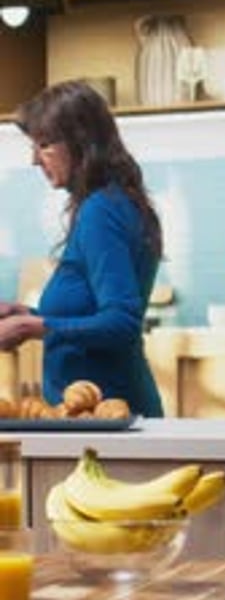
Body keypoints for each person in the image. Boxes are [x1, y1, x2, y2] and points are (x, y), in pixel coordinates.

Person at [0, 79, 164, 417]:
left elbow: (121, 322)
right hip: (101, 415)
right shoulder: (111, 202)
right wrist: (27, 316)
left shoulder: (100, 211)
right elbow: (88, 317)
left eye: (44, 145)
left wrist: (35, 328)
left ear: (81, 143)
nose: (34, 160)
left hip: (111, 417)